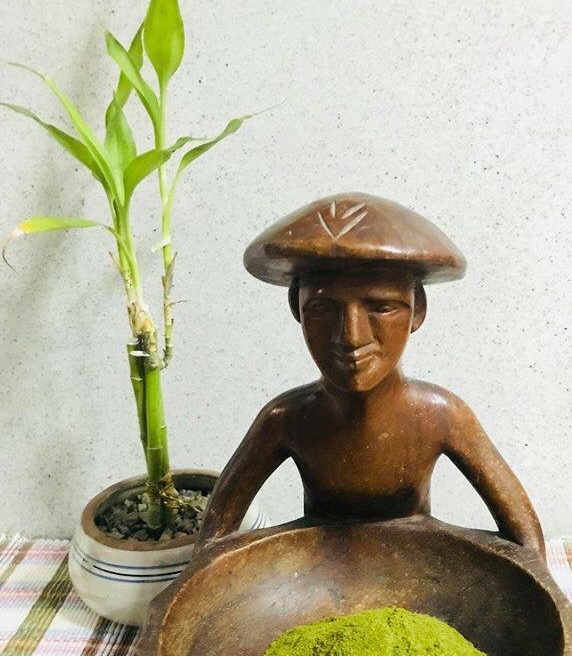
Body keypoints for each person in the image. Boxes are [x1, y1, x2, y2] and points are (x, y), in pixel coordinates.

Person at [195, 193, 545, 558]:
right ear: (297, 309)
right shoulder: (286, 419)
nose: (351, 336)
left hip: (416, 567)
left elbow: (529, 548)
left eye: (381, 308)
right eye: (323, 309)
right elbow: (211, 547)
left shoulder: (442, 416)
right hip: (315, 571)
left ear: (417, 311)